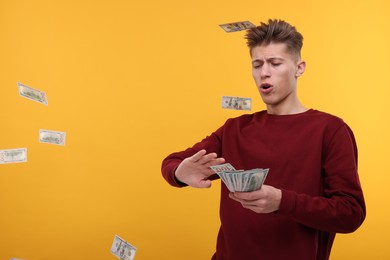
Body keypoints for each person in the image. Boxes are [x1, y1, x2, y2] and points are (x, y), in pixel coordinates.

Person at [161, 19, 366, 260]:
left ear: (299, 68)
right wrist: (178, 173)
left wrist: (282, 201)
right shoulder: (234, 129)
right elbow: (173, 162)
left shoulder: (330, 130)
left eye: (275, 63)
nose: (264, 72)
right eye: (257, 64)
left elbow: (350, 213)